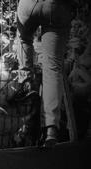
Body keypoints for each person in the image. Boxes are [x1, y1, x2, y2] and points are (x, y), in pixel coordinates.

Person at [16, 0, 73, 147]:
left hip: (29, 5)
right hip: (57, 7)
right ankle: (51, 128)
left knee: (23, 38)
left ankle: (27, 82)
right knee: (52, 68)